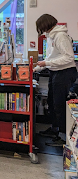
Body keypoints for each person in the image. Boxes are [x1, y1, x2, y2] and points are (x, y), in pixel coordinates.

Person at [35, 14, 77, 146]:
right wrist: (36, 69)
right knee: (52, 103)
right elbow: (51, 59)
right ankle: (55, 130)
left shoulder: (60, 36)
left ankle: (64, 138)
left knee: (59, 105)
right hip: (56, 73)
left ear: (45, 25)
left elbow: (69, 57)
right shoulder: (51, 37)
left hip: (64, 73)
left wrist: (46, 64)